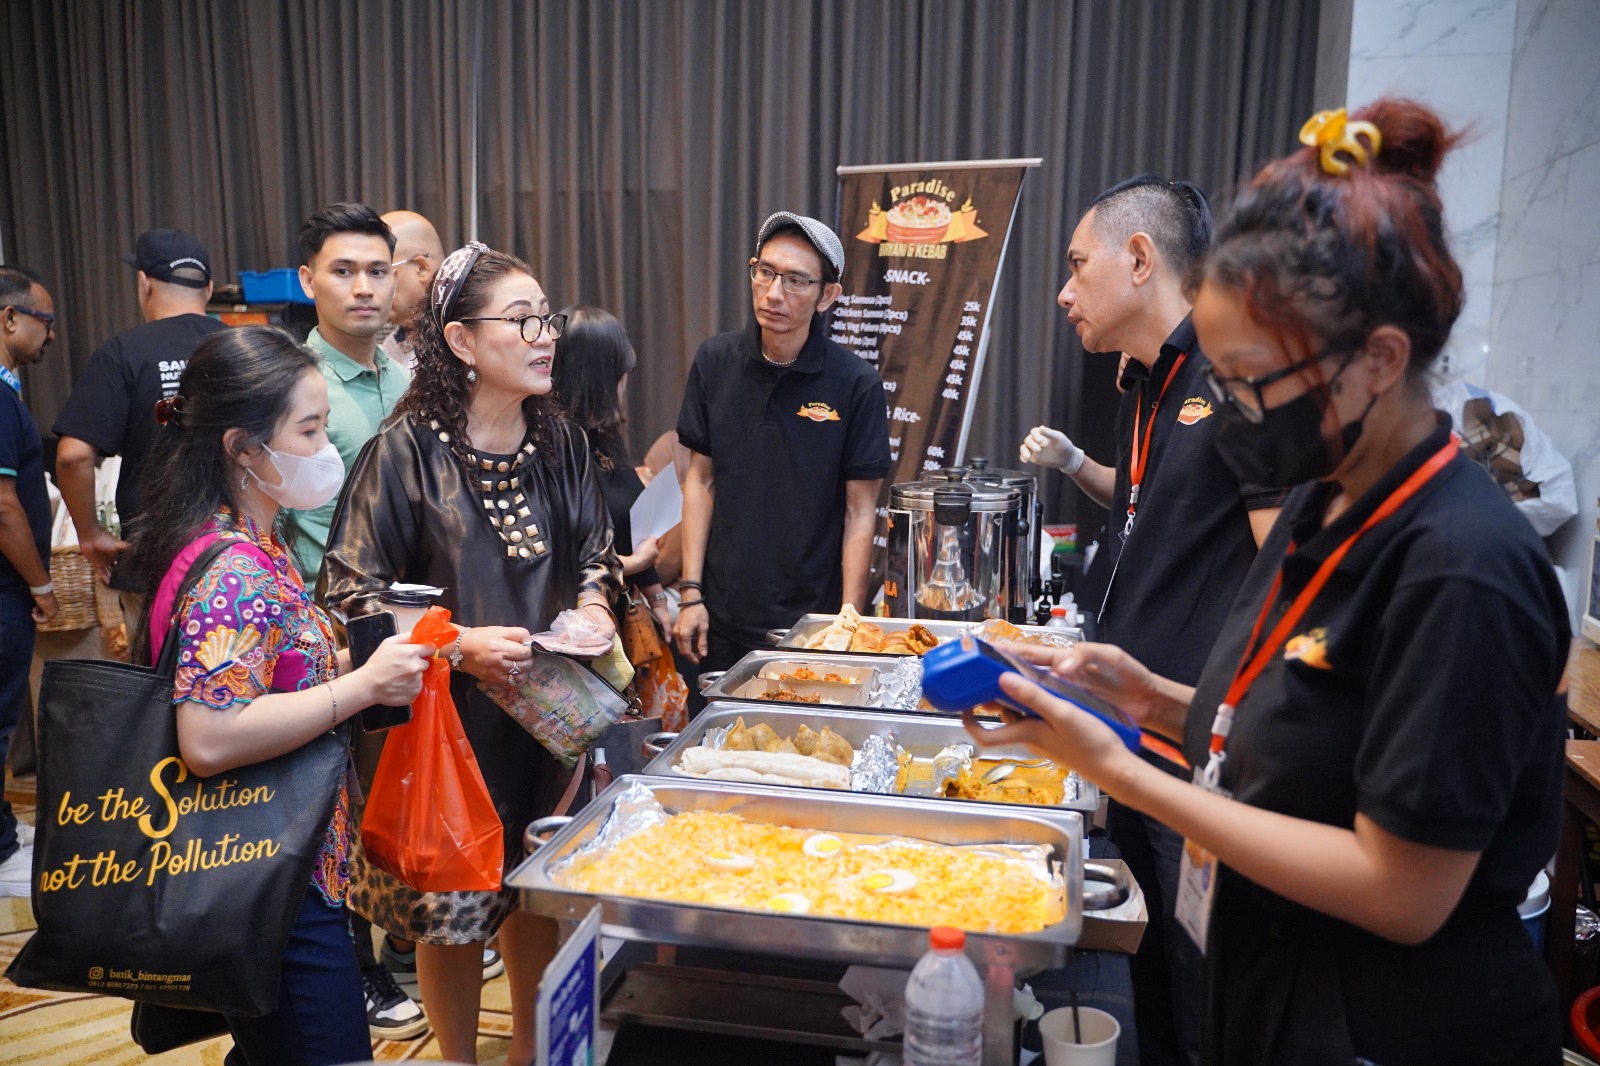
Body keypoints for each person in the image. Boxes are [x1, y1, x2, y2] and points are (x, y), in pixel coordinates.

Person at [972, 99, 1568, 1065]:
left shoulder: (1463, 568)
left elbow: (1402, 891)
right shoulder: (1321, 507)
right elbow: (1292, 734)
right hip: (1273, 984)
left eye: (1252, 379)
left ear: (1379, 360)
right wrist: (1145, 697)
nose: (1235, 413)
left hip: (1388, 1024)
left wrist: (1119, 766)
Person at [320, 242, 621, 1066]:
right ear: (460, 341)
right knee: (449, 916)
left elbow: (598, 551)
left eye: (546, 319)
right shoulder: (406, 451)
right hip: (445, 731)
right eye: (521, 321)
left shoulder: (560, 443)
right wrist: (454, 645)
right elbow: (349, 594)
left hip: (547, 718)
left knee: (539, 898)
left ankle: (528, 1055)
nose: (543, 336)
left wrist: (595, 603)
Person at [1018, 174, 1284, 1066]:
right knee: (1156, 998)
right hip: (1137, 737)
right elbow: (1147, 510)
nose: (1063, 291)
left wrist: (1232, 725)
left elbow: (1290, 578)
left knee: (1208, 1009)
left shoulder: (1234, 376)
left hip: (1200, 755)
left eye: (1076, 265)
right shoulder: (1146, 382)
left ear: (1139, 259)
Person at [119, 325, 434, 1065]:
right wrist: (361, 688)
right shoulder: (237, 572)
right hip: (268, 880)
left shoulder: (248, 542)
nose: (328, 447)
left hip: (278, 864)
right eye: (310, 428)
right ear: (243, 448)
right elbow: (210, 736)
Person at [673, 212, 890, 707]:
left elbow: (861, 513)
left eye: (795, 280)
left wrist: (847, 625)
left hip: (809, 626)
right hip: (719, 617)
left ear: (826, 296)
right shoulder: (715, 361)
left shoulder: (855, 384)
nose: (773, 293)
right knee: (713, 761)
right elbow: (700, 481)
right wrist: (690, 593)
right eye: (765, 272)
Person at [52, 229, 228, 635]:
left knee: (155, 686)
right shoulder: (245, 346)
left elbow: (73, 455)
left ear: (144, 283)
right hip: (237, 554)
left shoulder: (123, 351)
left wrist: (90, 535)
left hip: (153, 559)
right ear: (210, 288)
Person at [552, 306, 685, 722]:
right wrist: (632, 564)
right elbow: (559, 557)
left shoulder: (606, 440)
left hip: (624, 622)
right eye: (620, 374)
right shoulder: (554, 450)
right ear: (600, 378)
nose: (626, 383)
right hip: (580, 636)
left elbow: (629, 524)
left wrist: (657, 596)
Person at [285, 202, 408, 581]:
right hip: (322, 614)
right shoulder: (291, 388)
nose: (364, 289)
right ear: (308, 281)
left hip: (406, 608)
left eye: (377, 271)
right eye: (343, 271)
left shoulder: (405, 382)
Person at [0, 266, 57, 896]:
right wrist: (40, 585)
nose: (49, 336)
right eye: (44, 320)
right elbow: (4, 507)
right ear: (9, 318)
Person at [379, 209, 445, 368]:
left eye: (379, 271)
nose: (368, 286)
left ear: (421, 268)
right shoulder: (391, 347)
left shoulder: (466, 334)